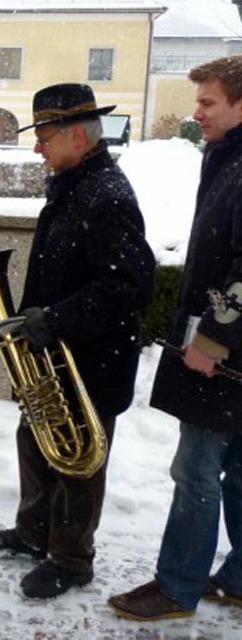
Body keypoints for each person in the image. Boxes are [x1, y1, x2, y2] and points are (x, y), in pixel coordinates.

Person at [0, 83, 155, 599]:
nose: (38, 146)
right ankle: (34, 533)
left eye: (45, 135)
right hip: (57, 354)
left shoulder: (107, 197)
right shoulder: (75, 184)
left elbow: (129, 286)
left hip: (91, 361)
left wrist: (53, 319)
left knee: (79, 462)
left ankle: (73, 559)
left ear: (78, 136)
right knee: (34, 441)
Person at [108, 55, 242, 621]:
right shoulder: (228, 159)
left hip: (226, 354)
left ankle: (176, 587)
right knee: (235, 467)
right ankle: (237, 578)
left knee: (196, 469)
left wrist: (212, 340)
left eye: (208, 103)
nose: (197, 113)